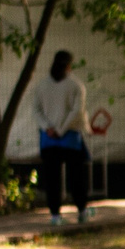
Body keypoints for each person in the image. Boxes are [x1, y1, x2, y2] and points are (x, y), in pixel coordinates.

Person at [35, 50, 92, 223]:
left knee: (52, 178)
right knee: (76, 176)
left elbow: (36, 110)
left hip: (48, 138)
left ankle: (55, 215)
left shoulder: (42, 85)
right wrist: (62, 129)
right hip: (70, 137)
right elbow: (77, 110)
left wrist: (48, 127)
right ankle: (82, 211)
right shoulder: (76, 85)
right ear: (69, 65)